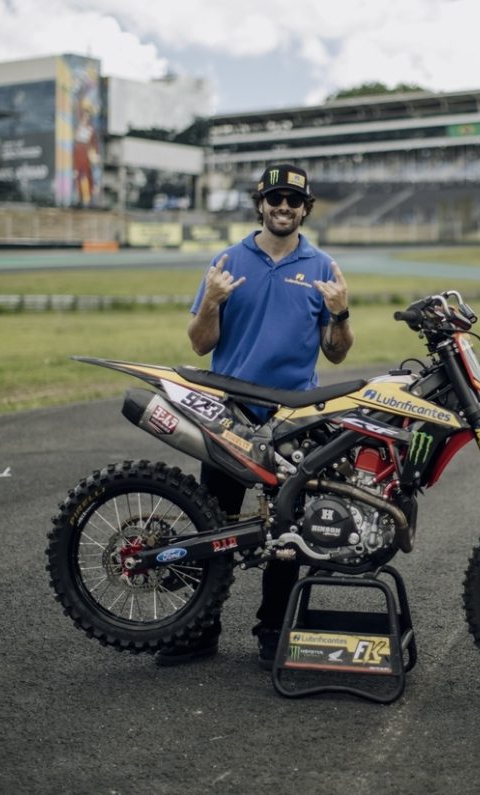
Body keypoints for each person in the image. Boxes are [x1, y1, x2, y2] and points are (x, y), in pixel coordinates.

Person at [155, 163, 354, 668]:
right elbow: (200, 344)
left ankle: (274, 630)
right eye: (275, 198)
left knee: (287, 533)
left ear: (305, 208)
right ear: (260, 204)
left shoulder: (322, 266)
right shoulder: (227, 260)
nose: (283, 207)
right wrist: (212, 302)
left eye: (293, 200)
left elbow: (336, 354)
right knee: (213, 524)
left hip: (293, 418)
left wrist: (340, 313)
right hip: (229, 414)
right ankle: (200, 629)